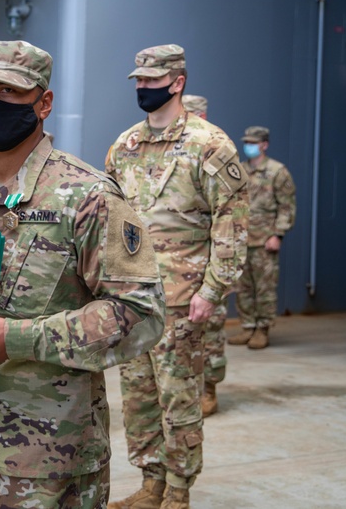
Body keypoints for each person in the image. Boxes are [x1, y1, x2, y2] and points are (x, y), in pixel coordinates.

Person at [0, 40, 165, 508]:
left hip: (49, 460)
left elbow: (142, 314)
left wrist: (19, 339)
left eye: (8, 91)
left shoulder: (89, 196)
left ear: (44, 102)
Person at [105, 44, 248, 509]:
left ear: (177, 82)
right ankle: (151, 483)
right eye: (139, 81)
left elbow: (232, 222)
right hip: (132, 298)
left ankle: (180, 491)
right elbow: (109, 217)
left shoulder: (210, 145)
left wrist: (214, 290)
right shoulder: (124, 146)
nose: (143, 88)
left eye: (151, 80)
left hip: (184, 299)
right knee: (138, 397)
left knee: (179, 399)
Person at [227, 126, 296, 352]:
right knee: (243, 287)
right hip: (242, 239)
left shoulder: (277, 171)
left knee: (264, 288)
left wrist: (278, 234)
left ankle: (262, 329)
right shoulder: (239, 170)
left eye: (253, 142)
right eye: (246, 141)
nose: (248, 146)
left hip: (265, 240)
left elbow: (287, 206)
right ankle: (248, 326)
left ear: (264, 144)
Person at [181, 94, 224, 417]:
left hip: (207, 261)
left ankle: (209, 387)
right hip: (176, 265)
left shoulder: (216, 151)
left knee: (210, 329)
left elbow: (229, 217)